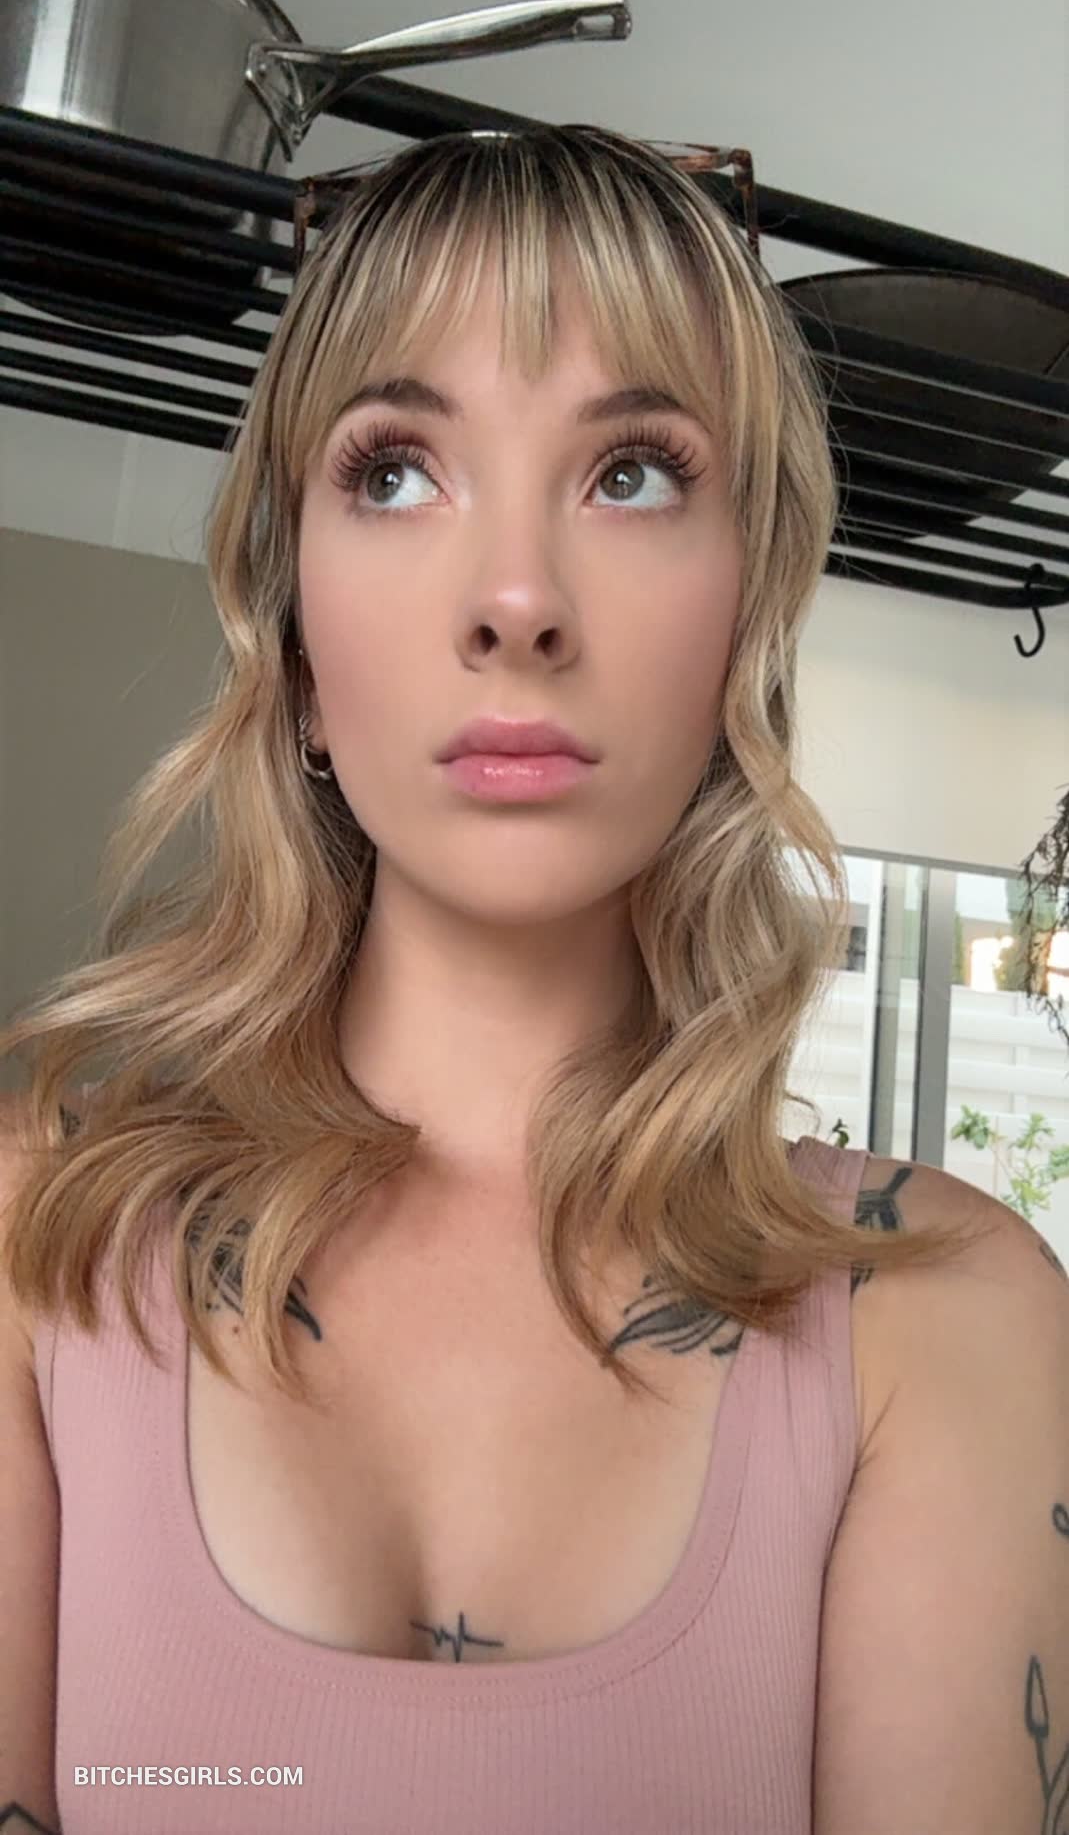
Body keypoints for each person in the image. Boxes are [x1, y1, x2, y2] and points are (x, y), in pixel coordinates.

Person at [1, 124, 1065, 1835]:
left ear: (746, 616)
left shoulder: (945, 1312)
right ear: (295, 637)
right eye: (394, 470)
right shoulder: (31, 1233)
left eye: (631, 472)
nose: (514, 601)